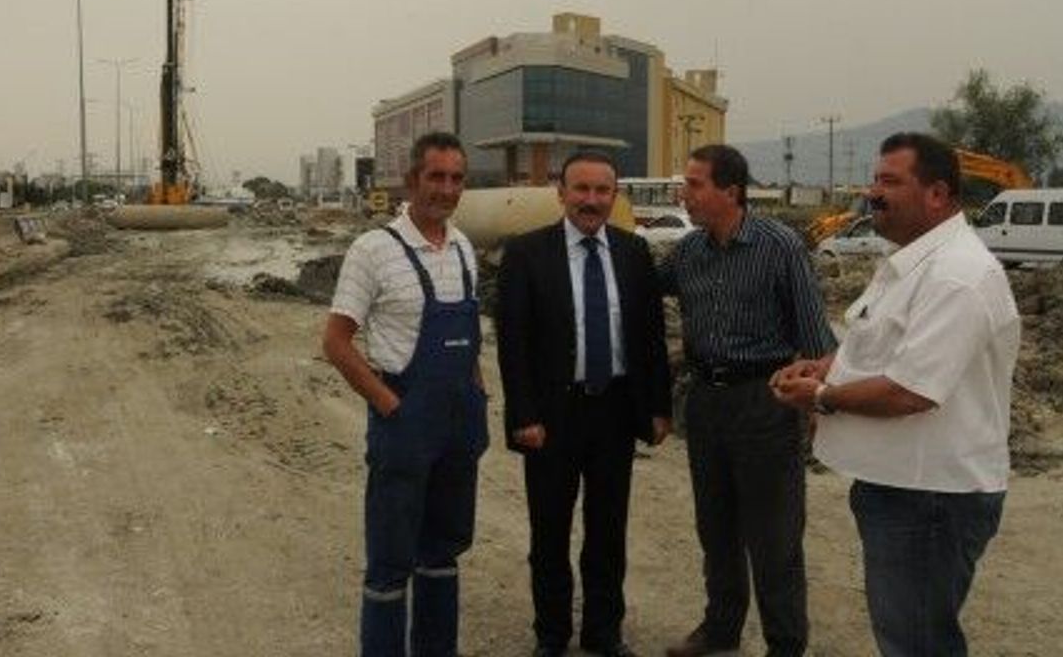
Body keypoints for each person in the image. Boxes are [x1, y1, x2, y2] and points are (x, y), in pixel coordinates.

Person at [771, 132, 1020, 656]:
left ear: (937, 193)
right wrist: (825, 367)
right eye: (874, 180)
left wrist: (823, 395)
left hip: (930, 496)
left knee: (917, 643)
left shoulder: (957, 275)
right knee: (906, 635)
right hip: (902, 486)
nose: (873, 193)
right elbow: (880, 346)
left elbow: (911, 391)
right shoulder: (911, 262)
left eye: (889, 181)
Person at [660, 144, 835, 657]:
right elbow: (639, 289)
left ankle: (785, 643)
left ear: (730, 191)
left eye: (694, 185)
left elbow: (816, 338)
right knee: (715, 527)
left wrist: (818, 403)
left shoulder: (780, 247)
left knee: (774, 536)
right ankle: (721, 629)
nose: (684, 194)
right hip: (705, 403)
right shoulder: (688, 253)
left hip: (765, 402)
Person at [496, 151, 672, 657]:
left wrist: (658, 407)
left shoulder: (633, 252)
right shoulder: (527, 253)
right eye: (581, 189)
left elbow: (651, 338)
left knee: (608, 531)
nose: (591, 200)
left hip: (614, 411)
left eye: (602, 191)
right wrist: (523, 415)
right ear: (561, 193)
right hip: (553, 415)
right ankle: (551, 634)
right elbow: (513, 343)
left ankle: (603, 631)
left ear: (614, 196)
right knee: (549, 532)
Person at [322, 131, 489, 657]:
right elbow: (336, 342)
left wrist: (478, 394)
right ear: (413, 180)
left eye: (457, 178)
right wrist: (388, 404)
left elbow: (470, 337)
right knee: (391, 562)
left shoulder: (463, 247)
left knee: (443, 551)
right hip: (404, 424)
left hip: (458, 426)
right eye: (436, 177)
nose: (447, 189)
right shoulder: (373, 250)